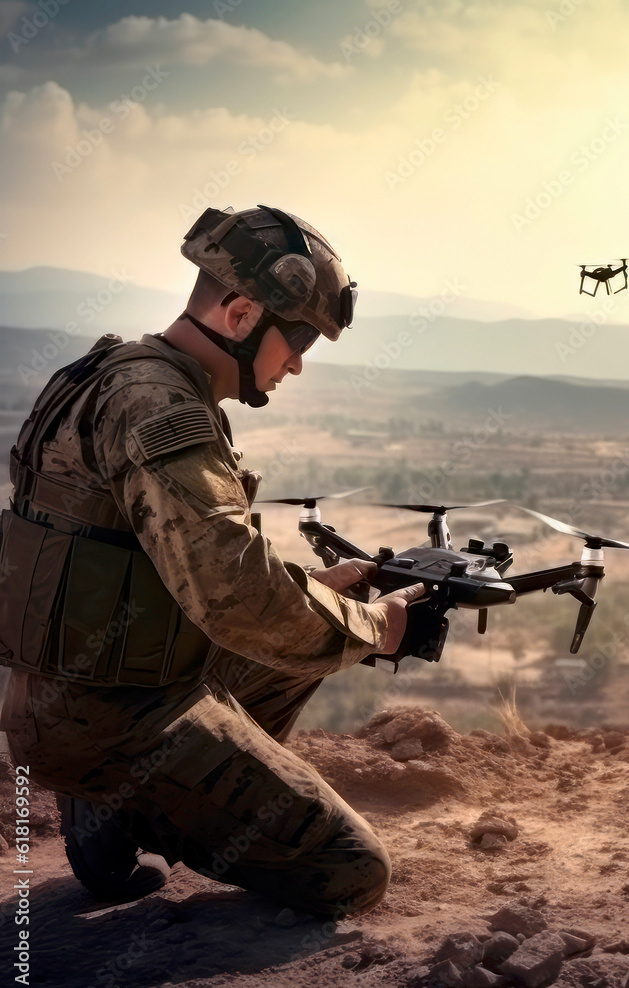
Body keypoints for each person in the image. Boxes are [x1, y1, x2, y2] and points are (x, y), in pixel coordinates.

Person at [0, 205, 425, 916]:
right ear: (238, 314)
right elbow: (233, 593)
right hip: (112, 717)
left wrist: (316, 591)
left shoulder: (123, 373)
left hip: (84, 688)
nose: (294, 364)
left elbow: (148, 567)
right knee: (351, 871)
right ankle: (122, 800)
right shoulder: (159, 406)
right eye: (295, 344)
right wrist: (373, 627)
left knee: (303, 645)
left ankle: (113, 807)